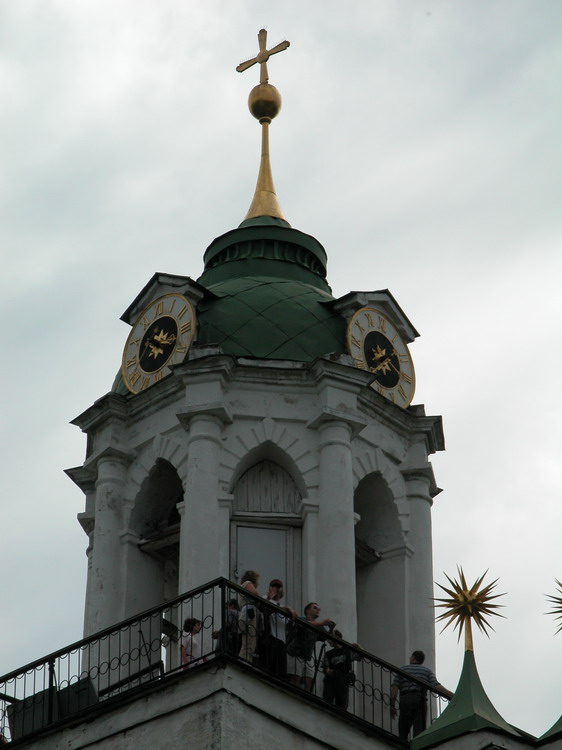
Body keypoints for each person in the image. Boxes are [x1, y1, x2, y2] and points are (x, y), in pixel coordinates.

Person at [390, 650, 451, 740]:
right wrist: (451, 694)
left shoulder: (403, 670)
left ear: (413, 657)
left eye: (410, 657)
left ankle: (402, 743)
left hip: (405, 698)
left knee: (403, 728)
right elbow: (437, 686)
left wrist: (392, 705)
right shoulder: (427, 671)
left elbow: (394, 689)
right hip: (420, 699)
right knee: (419, 731)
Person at [287, 602, 335, 691]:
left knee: (309, 681)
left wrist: (331, 628)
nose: (318, 609)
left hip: (307, 657)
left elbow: (328, 638)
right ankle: (294, 697)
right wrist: (321, 623)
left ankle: (305, 700)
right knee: (295, 679)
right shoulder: (302, 619)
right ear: (307, 610)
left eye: (318, 608)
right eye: (315, 608)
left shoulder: (319, 626)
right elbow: (305, 624)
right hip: (295, 654)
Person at [257, 578, 297, 678]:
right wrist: (270, 597)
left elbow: (288, 626)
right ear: (270, 588)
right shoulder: (266, 598)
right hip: (270, 638)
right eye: (273, 586)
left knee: (280, 672)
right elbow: (262, 608)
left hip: (282, 641)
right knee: (268, 668)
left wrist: (290, 612)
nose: (276, 588)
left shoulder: (283, 606)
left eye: (278, 587)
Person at [321, 630, 359, 710]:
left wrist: (358, 647)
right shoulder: (328, 653)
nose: (328, 641)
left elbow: (360, 657)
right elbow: (324, 668)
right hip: (330, 680)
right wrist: (327, 671)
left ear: (337, 638)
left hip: (343, 679)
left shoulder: (348, 651)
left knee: (341, 704)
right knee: (327, 702)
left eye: (330, 638)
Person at [238, 570, 261, 662]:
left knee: (249, 643)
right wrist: (261, 597)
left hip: (247, 614)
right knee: (248, 643)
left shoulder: (244, 585)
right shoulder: (248, 583)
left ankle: (246, 661)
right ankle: (244, 662)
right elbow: (254, 593)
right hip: (249, 614)